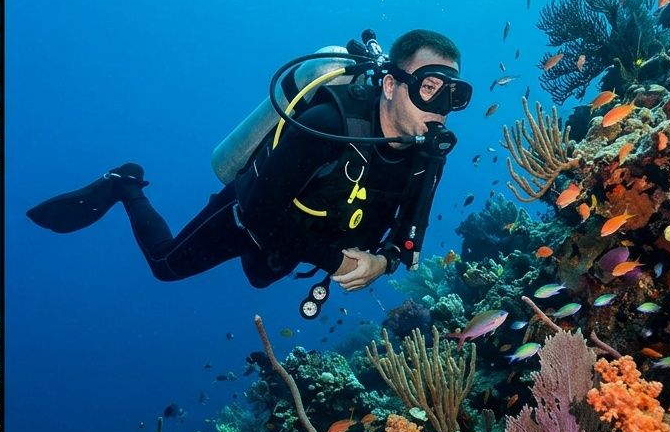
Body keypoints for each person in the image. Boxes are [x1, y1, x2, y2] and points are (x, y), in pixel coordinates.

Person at [28, 29, 469, 300]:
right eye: (429, 88)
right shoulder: (328, 125)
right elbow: (260, 210)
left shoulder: (428, 151)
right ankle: (126, 184)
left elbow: (409, 235)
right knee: (165, 266)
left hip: (303, 237)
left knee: (258, 278)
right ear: (391, 85)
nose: (440, 109)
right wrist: (335, 262)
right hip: (247, 214)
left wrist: (383, 264)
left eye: (453, 96)